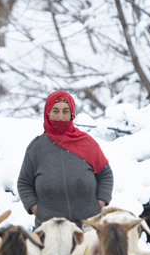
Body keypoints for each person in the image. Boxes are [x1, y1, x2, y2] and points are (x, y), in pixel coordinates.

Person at [17, 90, 114, 228]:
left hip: (88, 226)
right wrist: (36, 209)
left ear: (72, 114)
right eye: (55, 110)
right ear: (48, 113)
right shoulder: (36, 148)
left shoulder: (87, 143)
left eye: (65, 111)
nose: (60, 116)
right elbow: (24, 182)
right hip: (50, 227)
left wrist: (100, 203)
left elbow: (105, 174)